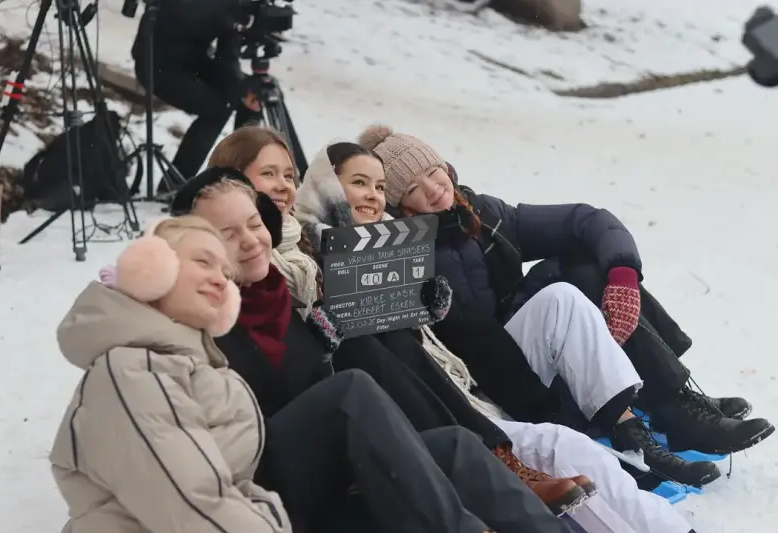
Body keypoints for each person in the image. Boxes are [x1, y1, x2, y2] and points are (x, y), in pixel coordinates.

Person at [50, 215, 574, 533]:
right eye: (201, 262)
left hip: (263, 510)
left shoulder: (188, 355)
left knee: (454, 450)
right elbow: (193, 508)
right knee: (350, 395)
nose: (218, 277)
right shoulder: (133, 370)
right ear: (151, 271)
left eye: (221, 269)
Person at [292, 140, 699, 533]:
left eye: (379, 186)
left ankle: (637, 434)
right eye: (359, 183)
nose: (373, 195)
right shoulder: (309, 261)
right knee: (567, 448)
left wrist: (622, 271)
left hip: (468, 392)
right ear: (327, 187)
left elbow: (581, 220)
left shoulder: (461, 219)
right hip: (426, 420)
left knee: (567, 293)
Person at [200, 127, 598, 513]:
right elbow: (270, 355)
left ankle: (498, 456)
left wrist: (422, 307)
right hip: (297, 431)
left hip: (383, 392)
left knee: (394, 336)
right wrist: (324, 335)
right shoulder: (246, 261)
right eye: (269, 173)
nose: (284, 185)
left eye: (289, 175)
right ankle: (493, 461)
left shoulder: (300, 244)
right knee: (363, 342)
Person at [354, 125, 775, 465]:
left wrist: (623, 275)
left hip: (527, 342)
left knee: (588, 266)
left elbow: (585, 220)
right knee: (562, 292)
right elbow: (461, 334)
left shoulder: (482, 213)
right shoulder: (404, 252)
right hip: (495, 374)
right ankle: (661, 407)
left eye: (433, 172)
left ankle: (673, 400)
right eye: (414, 188)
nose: (432, 188)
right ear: (400, 205)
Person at [131, 0, 261, 188]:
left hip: (190, 59)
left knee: (252, 91)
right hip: (156, 65)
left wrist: (241, 88)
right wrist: (233, 23)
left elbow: (225, 58)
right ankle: (174, 185)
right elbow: (225, 54)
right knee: (217, 109)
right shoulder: (219, 8)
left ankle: (241, 178)